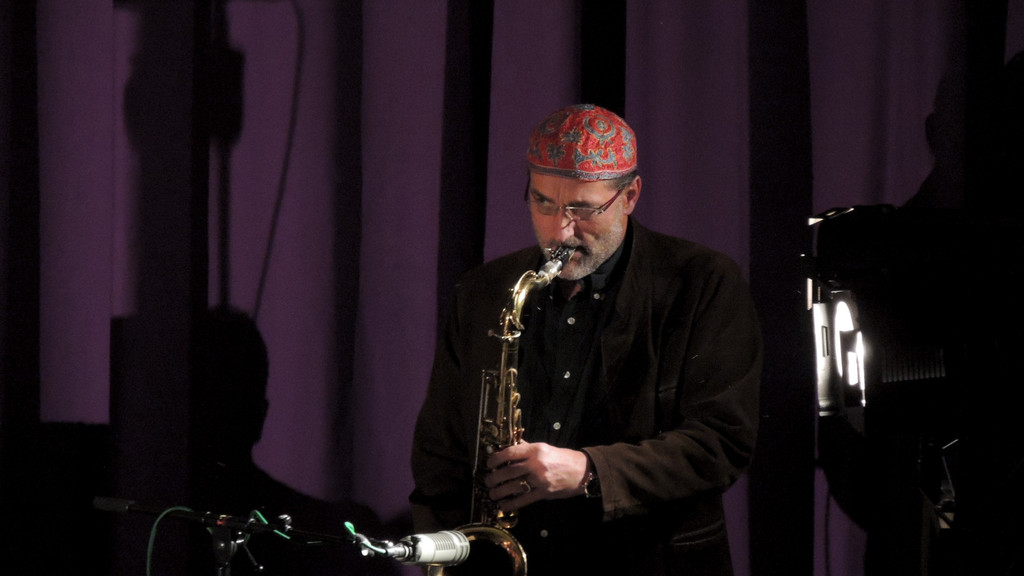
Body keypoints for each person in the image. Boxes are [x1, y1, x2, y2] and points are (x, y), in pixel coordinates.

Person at [410, 104, 762, 576]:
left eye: (582, 208)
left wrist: (588, 471)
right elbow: (440, 451)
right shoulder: (483, 290)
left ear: (630, 195)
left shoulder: (702, 282)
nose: (560, 230)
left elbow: (721, 443)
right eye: (543, 203)